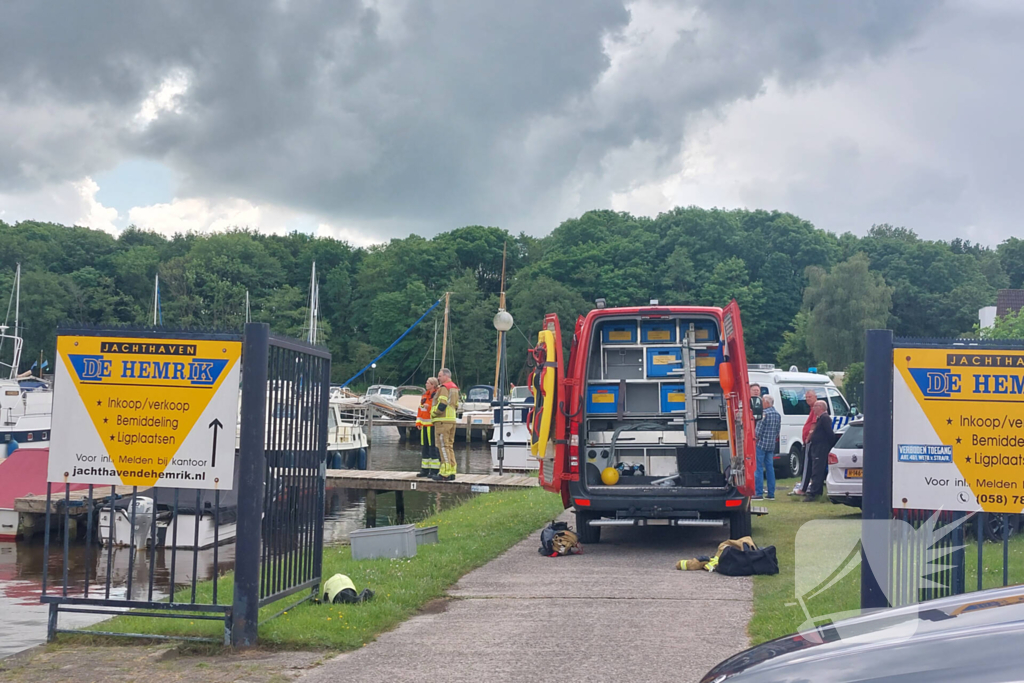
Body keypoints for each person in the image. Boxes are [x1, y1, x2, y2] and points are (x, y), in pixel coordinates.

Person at [803, 400, 835, 502]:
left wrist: (830, 445)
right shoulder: (820, 418)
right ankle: (816, 491)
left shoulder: (825, 418)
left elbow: (829, 433)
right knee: (815, 470)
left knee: (817, 470)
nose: (813, 408)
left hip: (821, 449)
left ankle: (814, 493)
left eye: (816, 406)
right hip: (817, 447)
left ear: (821, 407)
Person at [432, 368, 460, 481]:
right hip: (452, 419)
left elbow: (442, 404)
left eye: (439, 376)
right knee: (449, 446)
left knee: (442, 446)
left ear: (446, 376)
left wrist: (434, 413)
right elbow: (456, 405)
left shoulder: (444, 388)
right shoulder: (455, 388)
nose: (438, 378)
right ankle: (452, 471)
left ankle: (445, 473)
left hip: (442, 421)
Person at [791, 389, 820, 496]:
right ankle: (806, 485)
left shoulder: (816, 408)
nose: (807, 399)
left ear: (815, 397)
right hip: (809, 441)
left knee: (807, 465)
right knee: (808, 465)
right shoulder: (812, 409)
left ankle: (803, 488)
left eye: (810, 397)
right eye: (806, 397)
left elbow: (814, 424)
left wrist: (808, 437)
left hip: (810, 442)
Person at [754, 395, 780, 500]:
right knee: (770, 468)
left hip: (761, 444)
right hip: (771, 445)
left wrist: (755, 439)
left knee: (758, 468)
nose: (761, 403)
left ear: (767, 403)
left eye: (762, 401)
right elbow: (778, 430)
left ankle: (759, 493)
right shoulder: (777, 414)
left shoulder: (764, 414)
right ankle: (771, 494)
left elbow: (758, 431)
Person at [416, 378, 439, 477]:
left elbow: (437, 409)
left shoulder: (437, 395)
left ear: (433, 385)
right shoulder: (425, 395)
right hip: (424, 425)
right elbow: (420, 410)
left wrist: (428, 407)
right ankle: (424, 470)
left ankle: (434, 471)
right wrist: (418, 422)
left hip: (432, 425)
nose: (426, 384)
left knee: (432, 448)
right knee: (424, 448)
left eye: (428, 383)